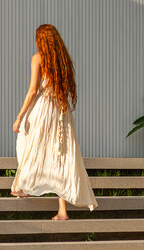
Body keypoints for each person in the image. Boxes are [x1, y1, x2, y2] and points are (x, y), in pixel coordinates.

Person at [11, 24, 97, 220]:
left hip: (43, 109)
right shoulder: (63, 60)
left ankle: (21, 186)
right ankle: (62, 211)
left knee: (27, 142)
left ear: (41, 40)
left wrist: (19, 117)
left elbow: (33, 90)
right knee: (61, 155)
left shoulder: (38, 58)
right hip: (61, 109)